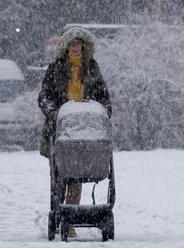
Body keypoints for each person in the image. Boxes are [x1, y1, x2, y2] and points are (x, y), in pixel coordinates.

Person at [37, 27, 112, 237]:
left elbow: (103, 95)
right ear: (66, 47)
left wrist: (103, 112)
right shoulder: (55, 69)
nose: (76, 48)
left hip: (85, 130)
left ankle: (70, 220)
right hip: (59, 129)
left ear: (84, 46)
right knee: (59, 177)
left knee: (77, 177)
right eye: (72, 44)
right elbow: (43, 96)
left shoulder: (92, 68)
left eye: (79, 44)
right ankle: (59, 212)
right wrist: (54, 112)